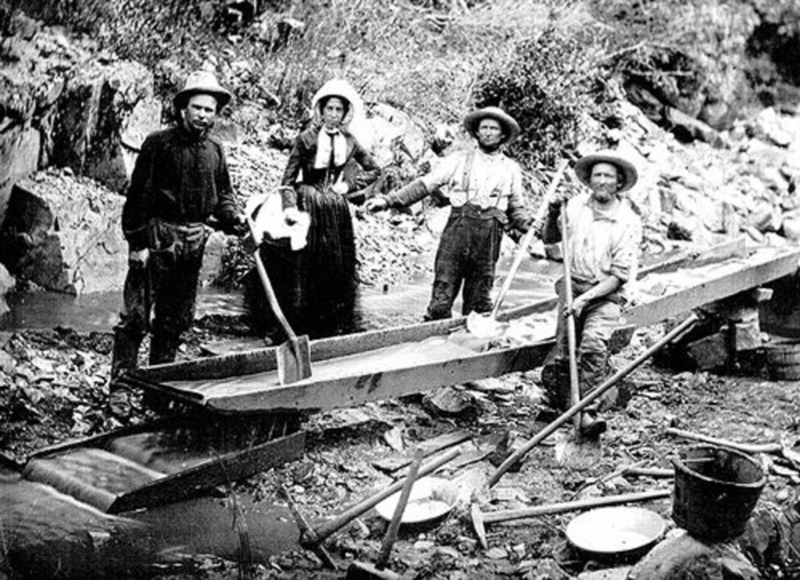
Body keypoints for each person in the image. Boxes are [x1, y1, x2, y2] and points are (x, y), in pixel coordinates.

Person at [111, 70, 243, 387]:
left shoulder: (215, 149)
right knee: (135, 317)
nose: (202, 115)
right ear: (183, 108)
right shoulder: (158, 143)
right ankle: (122, 385)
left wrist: (232, 216)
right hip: (159, 235)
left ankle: (157, 389)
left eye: (209, 110)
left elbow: (223, 193)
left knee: (173, 321)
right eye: (197, 107)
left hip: (194, 239)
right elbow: (138, 195)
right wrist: (137, 243)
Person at [366, 106, 532, 320]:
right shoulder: (458, 160)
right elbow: (424, 185)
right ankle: (433, 345)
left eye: (493, 128)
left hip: (488, 240)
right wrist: (387, 201)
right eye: (484, 128)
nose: (488, 132)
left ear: (502, 135)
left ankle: (470, 346)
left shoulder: (511, 169)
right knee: (441, 300)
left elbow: (517, 208)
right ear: (477, 132)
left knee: (479, 303)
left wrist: (528, 224)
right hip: (456, 235)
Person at [540, 150, 643, 438]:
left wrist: (585, 300)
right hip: (573, 284)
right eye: (597, 175)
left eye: (608, 176)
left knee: (593, 346)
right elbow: (550, 242)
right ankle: (563, 406)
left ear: (618, 183)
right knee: (563, 354)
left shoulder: (627, 221)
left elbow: (619, 277)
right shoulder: (574, 207)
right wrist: (551, 213)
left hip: (606, 293)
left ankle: (587, 411)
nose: (601, 181)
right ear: (589, 180)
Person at [271, 78, 380, 339]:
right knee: (304, 264)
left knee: (336, 266)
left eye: (338, 110)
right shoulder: (306, 139)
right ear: (320, 110)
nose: (333, 115)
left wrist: (350, 185)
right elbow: (287, 180)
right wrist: (289, 207)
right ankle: (297, 326)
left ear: (345, 114)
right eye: (329, 109)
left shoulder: (350, 140)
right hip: (308, 204)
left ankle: (330, 324)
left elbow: (375, 170)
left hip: (335, 208)